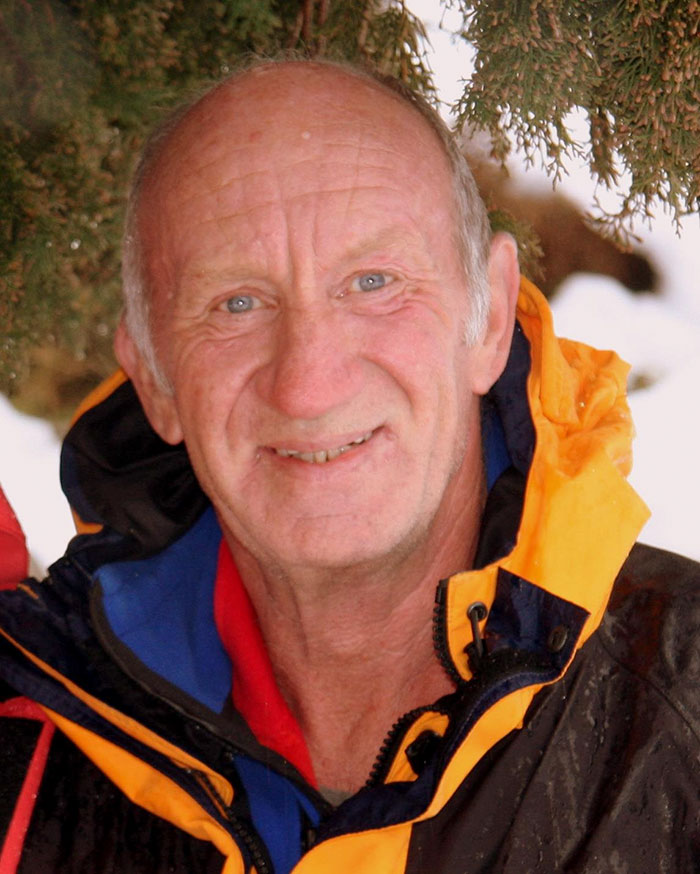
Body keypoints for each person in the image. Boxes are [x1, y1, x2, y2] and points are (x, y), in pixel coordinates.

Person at [0, 59, 698, 874]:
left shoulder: (681, 709)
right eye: (237, 303)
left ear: (490, 318)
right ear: (153, 377)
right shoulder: (38, 754)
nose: (308, 382)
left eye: (374, 282)